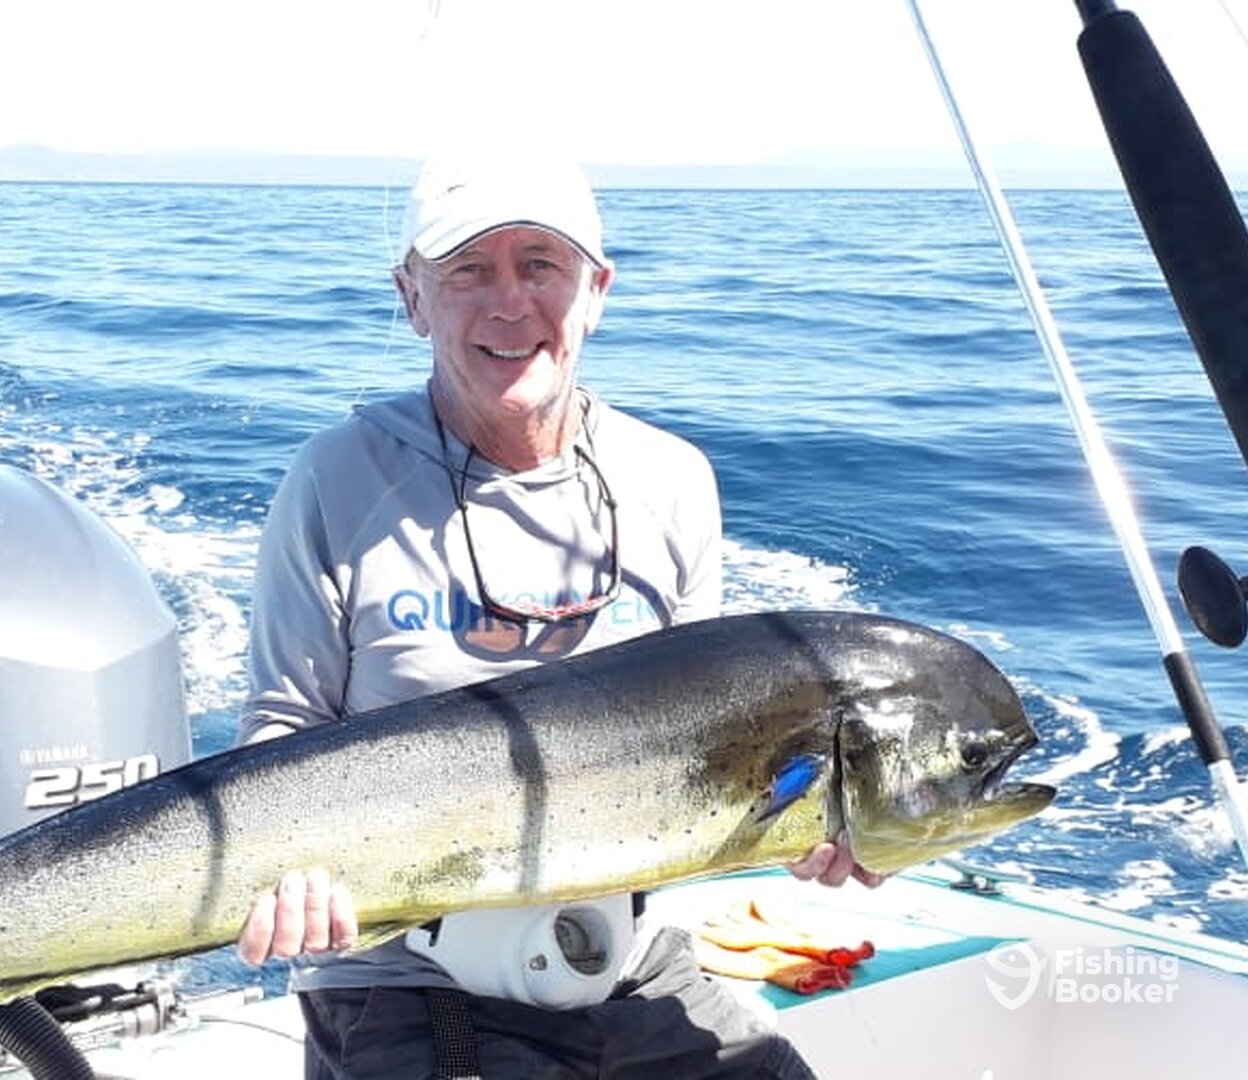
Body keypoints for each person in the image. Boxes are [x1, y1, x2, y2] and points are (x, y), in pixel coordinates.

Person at [236, 152, 875, 1079]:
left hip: (627, 961)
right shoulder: (337, 477)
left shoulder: (672, 480)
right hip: (408, 976)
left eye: (541, 264)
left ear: (596, 291)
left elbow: (719, 757)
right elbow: (283, 726)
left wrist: (820, 829)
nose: (510, 303)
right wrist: (288, 873)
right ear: (412, 298)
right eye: (468, 270)